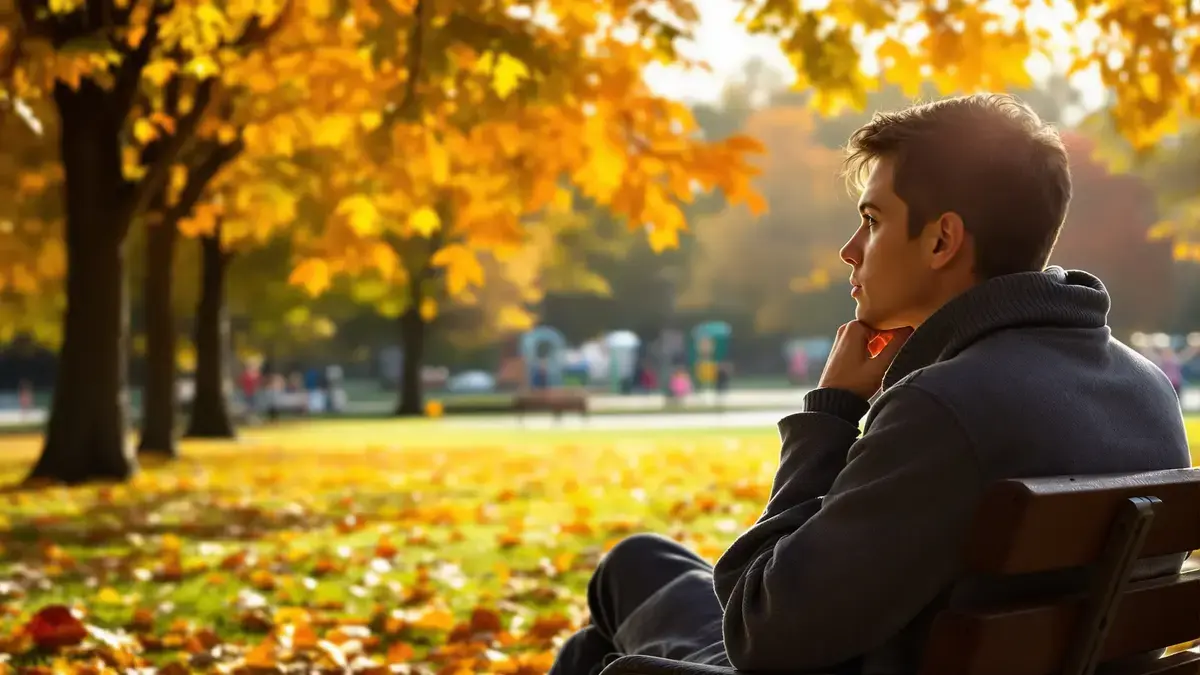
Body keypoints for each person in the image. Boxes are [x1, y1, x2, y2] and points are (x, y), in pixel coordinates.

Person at [549, 94, 1192, 675]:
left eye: (874, 220)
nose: (850, 250)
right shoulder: (1145, 387)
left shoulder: (946, 409)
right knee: (608, 622)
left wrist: (829, 414)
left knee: (628, 572)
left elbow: (760, 631)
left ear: (942, 239)